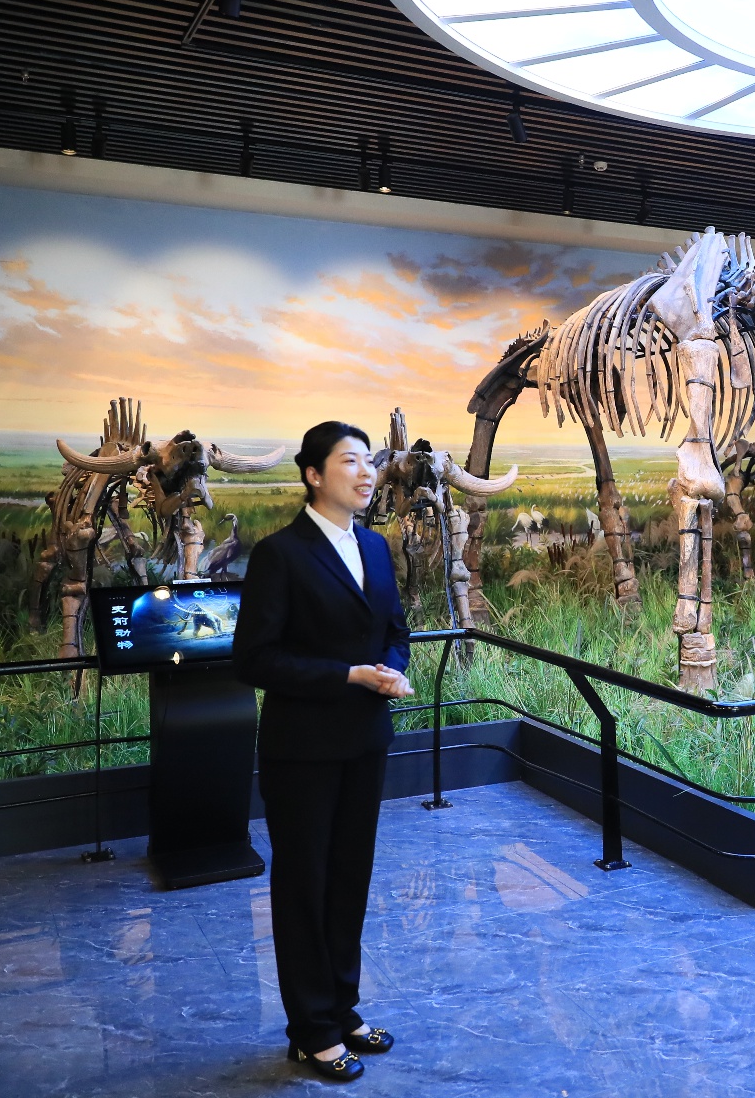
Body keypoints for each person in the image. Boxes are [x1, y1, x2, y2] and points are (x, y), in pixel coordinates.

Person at [233, 421, 413, 1083]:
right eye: (349, 462)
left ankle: (341, 1009)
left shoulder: (375, 545)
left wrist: (390, 670)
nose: (366, 473)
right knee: (304, 886)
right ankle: (311, 1030)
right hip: (302, 749)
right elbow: (255, 659)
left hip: (365, 740)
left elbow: (395, 631)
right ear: (313, 475)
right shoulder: (280, 554)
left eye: (369, 462)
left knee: (348, 879)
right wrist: (346, 675)